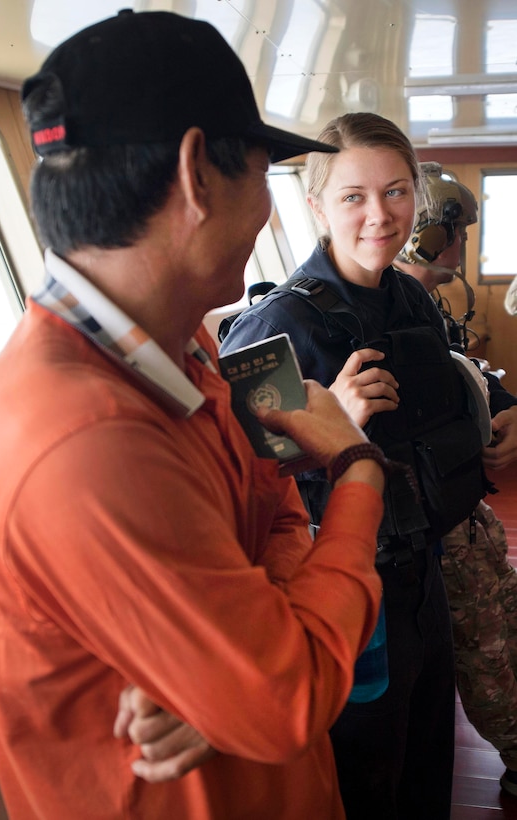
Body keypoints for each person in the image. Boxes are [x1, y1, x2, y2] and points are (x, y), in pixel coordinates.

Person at [0, 11, 389, 820]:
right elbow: (286, 699)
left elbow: (275, 507)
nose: (266, 207)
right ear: (199, 174)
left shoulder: (184, 338)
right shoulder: (78, 436)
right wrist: (358, 467)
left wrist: (226, 671)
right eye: (264, 174)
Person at [219, 112, 499, 820]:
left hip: (422, 567)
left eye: (397, 192)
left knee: (429, 749)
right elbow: (240, 490)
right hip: (347, 586)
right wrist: (333, 424)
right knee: (370, 768)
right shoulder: (277, 329)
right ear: (315, 206)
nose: (381, 215)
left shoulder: (408, 295)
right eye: (354, 196)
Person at [394, 164, 517, 797]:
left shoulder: (419, 307)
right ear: (431, 234)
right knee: (487, 653)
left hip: (467, 508)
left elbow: (465, 375)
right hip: (428, 532)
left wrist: (506, 405)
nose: (463, 244)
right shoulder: (364, 316)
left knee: (508, 621)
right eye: (458, 231)